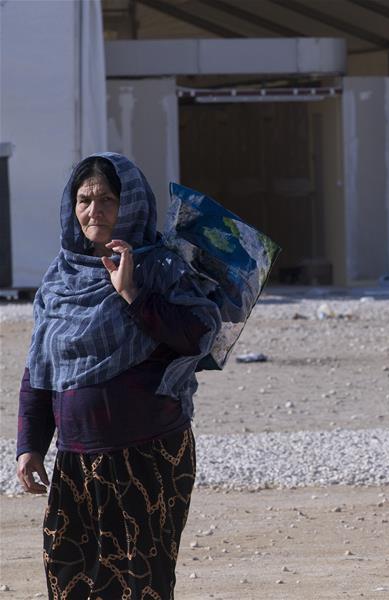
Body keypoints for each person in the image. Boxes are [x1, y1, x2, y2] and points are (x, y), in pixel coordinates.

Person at [15, 153, 221, 599]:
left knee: (140, 585)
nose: (95, 211)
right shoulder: (60, 279)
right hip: (75, 462)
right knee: (71, 581)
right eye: (84, 199)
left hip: (148, 457)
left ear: (130, 205)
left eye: (108, 199)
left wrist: (131, 292)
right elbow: (41, 367)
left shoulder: (162, 268)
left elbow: (198, 334)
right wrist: (30, 445)